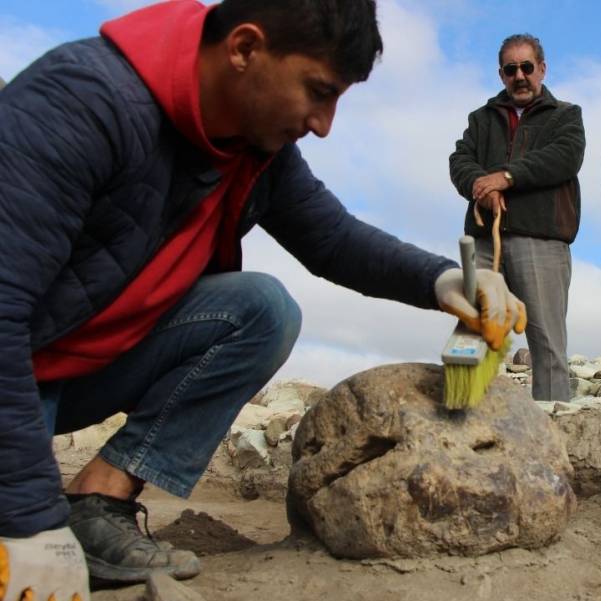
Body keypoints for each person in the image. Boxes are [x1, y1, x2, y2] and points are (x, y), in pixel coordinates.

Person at [0, 0, 526, 592]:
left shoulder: (255, 148)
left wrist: (443, 280)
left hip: (82, 370)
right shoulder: (82, 103)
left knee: (261, 310)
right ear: (245, 49)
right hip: (20, 372)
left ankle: (97, 503)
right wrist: (30, 519)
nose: (324, 124)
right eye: (318, 92)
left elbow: (332, 238)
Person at [449, 33, 585, 402]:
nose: (519, 76)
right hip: (484, 240)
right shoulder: (481, 118)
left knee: (546, 342)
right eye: (511, 69)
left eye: (527, 67)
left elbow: (565, 157)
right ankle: (462, 415)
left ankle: (552, 425)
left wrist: (506, 177)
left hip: (542, 239)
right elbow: (460, 160)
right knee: (471, 331)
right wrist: (480, 186)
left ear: (542, 68)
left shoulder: (566, 115)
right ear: (502, 75)